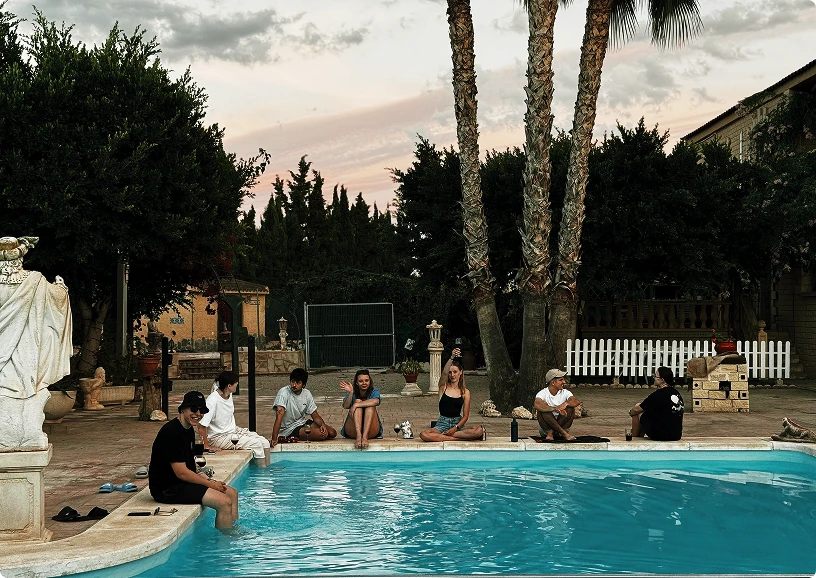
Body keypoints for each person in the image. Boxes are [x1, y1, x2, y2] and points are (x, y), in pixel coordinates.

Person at [149, 391, 239, 531]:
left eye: (201, 410)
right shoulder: (171, 432)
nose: (198, 413)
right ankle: (225, 541)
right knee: (224, 502)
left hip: (181, 483)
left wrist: (209, 480)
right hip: (167, 489)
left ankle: (233, 530)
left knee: (232, 493)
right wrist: (211, 484)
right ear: (183, 409)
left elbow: (190, 465)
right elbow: (182, 473)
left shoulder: (188, 429)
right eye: (194, 409)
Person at [196, 371, 271, 466]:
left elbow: (216, 384)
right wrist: (206, 446)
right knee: (256, 444)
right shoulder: (212, 401)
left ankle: (267, 471)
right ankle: (261, 473)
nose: (237, 384)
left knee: (264, 442)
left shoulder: (227, 393)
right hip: (219, 437)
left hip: (233, 431)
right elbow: (201, 426)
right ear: (229, 386)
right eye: (236, 382)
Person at [420, 348, 485, 442]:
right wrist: (451, 357)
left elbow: (465, 416)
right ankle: (457, 438)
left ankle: (443, 437)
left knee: (479, 430)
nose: (452, 375)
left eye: (455, 372)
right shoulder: (443, 387)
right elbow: (444, 373)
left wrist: (455, 428)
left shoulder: (465, 392)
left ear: (460, 372)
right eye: (450, 372)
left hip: (457, 424)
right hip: (442, 423)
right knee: (424, 434)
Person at [270, 368, 336, 447]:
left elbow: (315, 416)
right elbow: (279, 417)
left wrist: (323, 425)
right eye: (293, 381)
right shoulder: (283, 393)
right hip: (289, 429)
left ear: (303, 385)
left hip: (302, 423)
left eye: (298, 383)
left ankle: (306, 434)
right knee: (320, 434)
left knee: (332, 432)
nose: (294, 385)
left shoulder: (307, 393)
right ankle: (296, 436)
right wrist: (274, 438)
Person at [629, 366, 684, 441]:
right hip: (676, 435)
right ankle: (639, 437)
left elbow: (636, 409)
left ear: (662, 380)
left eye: (655, 376)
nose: (654, 378)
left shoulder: (659, 394)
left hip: (662, 435)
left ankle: (634, 438)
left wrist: (630, 412)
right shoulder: (676, 393)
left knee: (638, 411)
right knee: (646, 413)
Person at [339, 369, 382, 448]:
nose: (364, 383)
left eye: (366, 380)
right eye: (361, 381)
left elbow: (376, 401)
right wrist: (351, 393)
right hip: (353, 430)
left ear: (370, 381)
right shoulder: (353, 391)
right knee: (358, 401)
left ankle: (364, 437)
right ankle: (359, 436)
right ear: (356, 382)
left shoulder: (374, 391)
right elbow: (345, 406)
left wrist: (356, 405)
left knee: (368, 405)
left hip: (371, 430)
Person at [534, 369, 581, 441]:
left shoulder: (565, 392)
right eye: (561, 380)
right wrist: (555, 408)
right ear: (553, 382)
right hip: (546, 430)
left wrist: (566, 404)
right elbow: (537, 404)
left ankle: (552, 432)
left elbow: (576, 401)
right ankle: (563, 433)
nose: (564, 382)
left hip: (563, 428)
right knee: (543, 409)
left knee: (570, 408)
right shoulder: (543, 393)